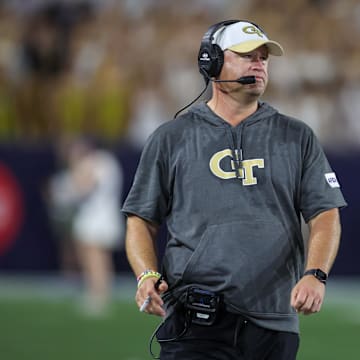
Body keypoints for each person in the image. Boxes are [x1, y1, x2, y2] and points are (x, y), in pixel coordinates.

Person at [122, 20, 347, 359]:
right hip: (195, 321)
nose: (258, 63)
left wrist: (316, 274)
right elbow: (141, 219)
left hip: (273, 322)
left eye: (263, 57)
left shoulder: (297, 136)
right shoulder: (172, 138)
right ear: (211, 62)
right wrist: (146, 275)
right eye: (246, 56)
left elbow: (325, 215)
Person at [48, 136, 125, 315]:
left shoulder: (97, 162)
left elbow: (85, 187)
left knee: (95, 258)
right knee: (96, 258)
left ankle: (99, 296)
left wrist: (65, 189)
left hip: (97, 220)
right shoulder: (107, 161)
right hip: (99, 218)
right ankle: (98, 293)